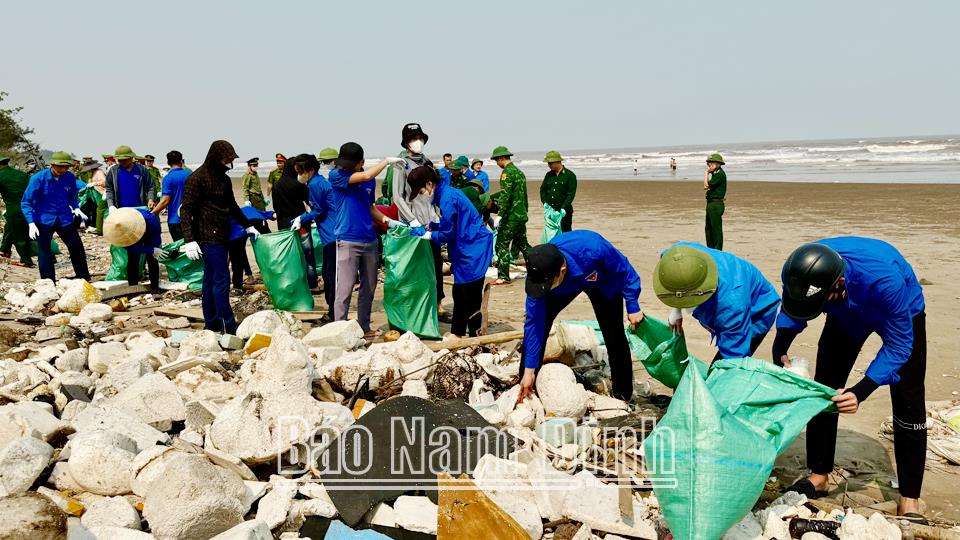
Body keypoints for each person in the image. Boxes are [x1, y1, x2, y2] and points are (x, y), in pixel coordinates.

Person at [773, 238, 928, 522]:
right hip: (845, 316)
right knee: (824, 388)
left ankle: (909, 499)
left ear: (839, 285)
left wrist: (861, 390)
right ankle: (819, 475)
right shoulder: (800, 267)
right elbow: (792, 306)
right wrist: (779, 347)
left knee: (909, 402)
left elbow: (899, 346)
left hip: (897, 309)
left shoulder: (886, 283)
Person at [517, 231, 644, 402]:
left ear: (561, 271)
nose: (541, 290)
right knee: (540, 323)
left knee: (613, 333)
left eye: (546, 286)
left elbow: (625, 272)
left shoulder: (594, 249)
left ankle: (623, 395)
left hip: (599, 279)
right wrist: (528, 370)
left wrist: (633, 305)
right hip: (562, 286)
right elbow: (534, 324)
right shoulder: (539, 275)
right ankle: (528, 385)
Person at [179, 140, 260, 334]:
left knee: (210, 280)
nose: (229, 163)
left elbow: (231, 205)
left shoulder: (224, 179)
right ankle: (228, 325)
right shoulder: (196, 178)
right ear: (216, 157)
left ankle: (212, 323)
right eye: (226, 159)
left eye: (231, 159)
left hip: (223, 233)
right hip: (207, 236)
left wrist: (247, 225)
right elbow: (186, 210)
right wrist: (189, 240)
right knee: (222, 279)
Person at [652, 242, 779, 360]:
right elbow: (681, 278)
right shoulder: (677, 255)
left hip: (758, 310)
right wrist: (676, 310)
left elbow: (735, 357)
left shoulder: (731, 305)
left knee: (727, 366)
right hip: (729, 297)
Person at [329, 142, 404, 339]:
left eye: (349, 163)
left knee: (369, 287)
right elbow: (366, 175)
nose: (344, 166)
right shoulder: (337, 176)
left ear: (361, 162)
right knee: (344, 290)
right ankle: (338, 331)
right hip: (347, 239)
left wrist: (387, 220)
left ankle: (364, 326)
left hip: (370, 239)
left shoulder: (369, 183)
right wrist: (386, 161)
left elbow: (370, 208)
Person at [406, 166, 493, 338]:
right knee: (459, 293)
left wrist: (428, 234)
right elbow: (452, 222)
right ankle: (457, 334)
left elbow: (448, 234)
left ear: (430, 184)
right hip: (464, 247)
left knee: (471, 297)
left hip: (472, 248)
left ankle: (476, 338)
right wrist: (434, 226)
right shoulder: (444, 193)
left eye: (421, 190)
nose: (421, 194)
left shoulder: (447, 198)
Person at [386, 123, 450, 323]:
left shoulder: (428, 163)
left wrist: (438, 215)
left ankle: (437, 304)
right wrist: (412, 221)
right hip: (412, 224)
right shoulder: (400, 165)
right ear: (406, 143)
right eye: (413, 139)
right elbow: (398, 196)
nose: (418, 142)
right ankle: (413, 306)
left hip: (430, 221)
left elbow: (434, 192)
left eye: (420, 138)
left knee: (435, 261)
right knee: (414, 266)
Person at [20, 151, 91, 282]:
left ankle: (83, 277)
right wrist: (30, 222)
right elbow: (26, 202)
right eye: (59, 166)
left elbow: (71, 196)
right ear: (52, 165)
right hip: (43, 219)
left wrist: (76, 208)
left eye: (65, 167)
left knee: (76, 247)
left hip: (65, 218)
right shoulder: (38, 179)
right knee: (45, 251)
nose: (62, 170)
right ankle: (48, 282)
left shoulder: (69, 177)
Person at [291, 149, 338, 319]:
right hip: (333, 233)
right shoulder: (319, 182)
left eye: (301, 172)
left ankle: (334, 313)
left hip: (332, 236)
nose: (299, 175)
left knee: (330, 276)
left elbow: (319, 210)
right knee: (329, 274)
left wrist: (301, 218)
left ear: (310, 170)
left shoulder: (315, 185)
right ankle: (334, 311)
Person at [490, 146, 530, 285]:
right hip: (521, 215)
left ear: (501, 158)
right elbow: (524, 196)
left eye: (497, 160)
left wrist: (499, 215)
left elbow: (506, 196)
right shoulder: (519, 173)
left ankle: (503, 276)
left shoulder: (507, 173)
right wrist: (525, 212)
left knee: (501, 244)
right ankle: (535, 269)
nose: (497, 163)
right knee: (523, 244)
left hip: (511, 217)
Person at [103, 207, 166, 292]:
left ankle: (154, 287)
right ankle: (132, 287)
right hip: (127, 234)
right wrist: (150, 250)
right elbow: (129, 247)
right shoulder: (115, 227)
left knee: (152, 259)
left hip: (147, 228)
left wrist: (154, 249)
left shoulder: (151, 220)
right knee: (132, 259)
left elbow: (155, 238)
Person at [227, 204, 273, 291]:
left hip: (253, 222)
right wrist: (271, 214)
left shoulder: (228, 220)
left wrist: (271, 214)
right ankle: (245, 279)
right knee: (239, 254)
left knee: (238, 256)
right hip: (244, 224)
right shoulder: (244, 210)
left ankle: (239, 284)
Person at [0, 156, 34, 267]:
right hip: (30, 207)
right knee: (9, 228)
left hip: (15, 209)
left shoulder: (1, 176)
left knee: (20, 236)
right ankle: (5, 250)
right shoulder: (22, 175)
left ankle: (26, 261)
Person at [105, 145, 156, 212]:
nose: (122, 162)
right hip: (120, 210)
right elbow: (109, 189)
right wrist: (111, 205)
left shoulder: (141, 170)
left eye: (125, 159)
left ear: (131, 158)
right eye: (120, 160)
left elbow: (151, 186)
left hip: (140, 209)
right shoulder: (113, 171)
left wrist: (150, 199)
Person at [152, 151, 189, 241]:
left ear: (168, 162)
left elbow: (165, 201)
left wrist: (152, 213)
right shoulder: (190, 175)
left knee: (180, 249)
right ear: (181, 161)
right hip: (190, 218)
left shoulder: (168, 178)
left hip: (175, 219)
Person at [540, 151, 577, 233]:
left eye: (551, 163)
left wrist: (563, 207)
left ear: (558, 162)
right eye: (548, 163)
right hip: (550, 211)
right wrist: (545, 202)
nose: (549, 165)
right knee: (551, 234)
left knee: (565, 233)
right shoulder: (548, 175)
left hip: (564, 212)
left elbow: (571, 194)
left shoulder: (570, 175)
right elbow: (542, 190)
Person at [703, 153, 726, 250]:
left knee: (716, 229)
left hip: (716, 204)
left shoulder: (719, 174)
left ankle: (717, 250)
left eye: (711, 164)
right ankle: (711, 249)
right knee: (708, 228)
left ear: (717, 164)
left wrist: (706, 173)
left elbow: (705, 186)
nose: (709, 166)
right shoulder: (715, 173)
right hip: (711, 203)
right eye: (708, 164)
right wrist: (710, 172)